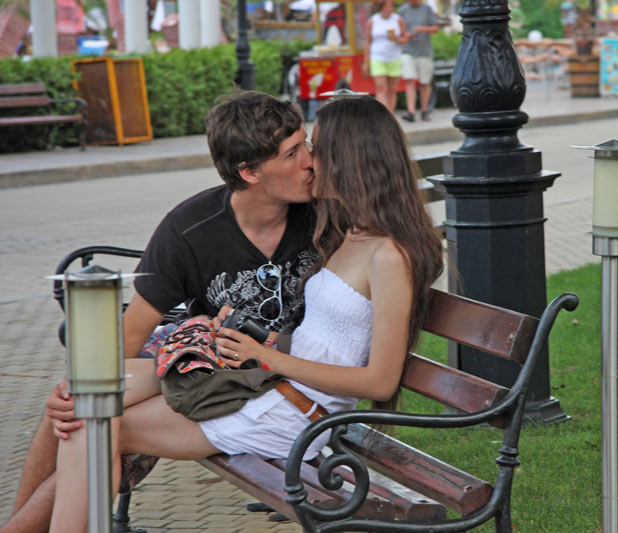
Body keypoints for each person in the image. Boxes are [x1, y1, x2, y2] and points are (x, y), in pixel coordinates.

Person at [47, 94, 444, 533]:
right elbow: (333, 336)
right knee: (85, 406)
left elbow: (380, 382)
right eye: (301, 149)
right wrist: (269, 345)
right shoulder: (347, 234)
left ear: (351, 159)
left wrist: (271, 358)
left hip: (294, 413)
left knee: (93, 427)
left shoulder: (387, 255)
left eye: (316, 148)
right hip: (270, 388)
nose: (310, 161)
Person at [0, 91, 319, 533]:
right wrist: (83, 386)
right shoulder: (190, 229)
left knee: (97, 418)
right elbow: (130, 338)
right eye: (293, 152)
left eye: (306, 145)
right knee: (77, 401)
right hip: (211, 370)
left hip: (282, 381)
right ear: (249, 172)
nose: (310, 161)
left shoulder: (325, 216)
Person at [398, 0, 440, 122]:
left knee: (424, 82)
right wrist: (406, 35)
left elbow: (436, 28)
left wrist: (424, 29)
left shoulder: (427, 8)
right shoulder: (402, 10)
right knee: (409, 80)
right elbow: (398, 31)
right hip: (408, 51)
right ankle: (411, 111)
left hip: (424, 51)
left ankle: (424, 110)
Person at [364, 0, 408, 113]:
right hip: (377, 58)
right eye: (387, 6)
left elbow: (405, 38)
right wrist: (366, 62)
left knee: (392, 90)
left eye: (391, 6)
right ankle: (383, 114)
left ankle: (390, 114)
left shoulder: (398, 20)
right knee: (381, 88)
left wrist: (397, 39)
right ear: (381, 7)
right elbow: (368, 42)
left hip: (394, 58)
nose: (389, 9)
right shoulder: (373, 21)